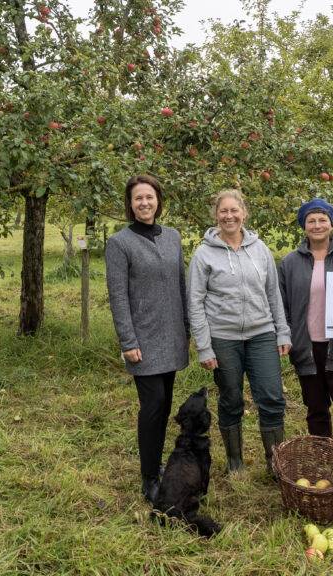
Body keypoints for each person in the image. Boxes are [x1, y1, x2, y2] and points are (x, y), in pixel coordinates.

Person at [188, 189, 291, 477]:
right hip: (223, 338)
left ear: (244, 213)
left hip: (262, 334)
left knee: (271, 398)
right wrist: (204, 346)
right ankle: (235, 462)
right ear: (216, 215)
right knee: (231, 398)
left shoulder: (260, 249)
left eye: (234, 210)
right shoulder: (203, 254)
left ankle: (275, 464)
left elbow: (273, 293)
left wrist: (282, 331)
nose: (229, 216)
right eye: (223, 211)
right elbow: (195, 302)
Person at [105, 174, 189, 505]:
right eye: (138, 198)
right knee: (152, 406)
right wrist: (128, 341)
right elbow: (118, 296)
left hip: (172, 335)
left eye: (149, 197)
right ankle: (149, 477)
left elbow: (181, 285)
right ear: (130, 204)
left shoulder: (172, 237)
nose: (144, 203)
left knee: (165, 404)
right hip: (143, 339)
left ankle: (157, 462)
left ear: (158, 201)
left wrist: (186, 329)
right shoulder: (119, 243)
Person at [278, 199, 333, 470]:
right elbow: (282, 306)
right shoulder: (290, 263)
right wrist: (287, 337)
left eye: (322, 220)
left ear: (331, 223)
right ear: (303, 226)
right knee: (316, 408)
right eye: (311, 221)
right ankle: (323, 458)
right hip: (307, 346)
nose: (317, 225)